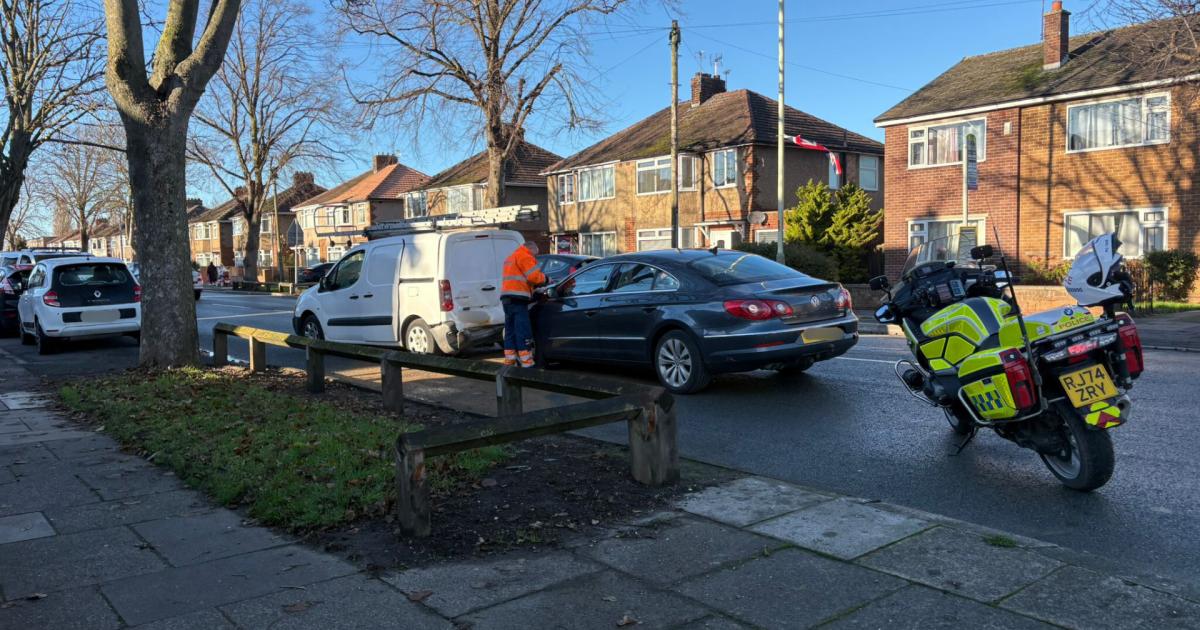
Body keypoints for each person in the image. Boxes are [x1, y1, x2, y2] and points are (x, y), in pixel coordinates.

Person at [500, 240, 547, 367]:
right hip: (518, 300)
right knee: (523, 330)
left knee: (510, 330)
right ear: (531, 249)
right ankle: (527, 363)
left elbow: (519, 279)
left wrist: (532, 290)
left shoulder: (511, 257)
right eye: (535, 255)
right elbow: (534, 277)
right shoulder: (525, 256)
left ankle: (510, 361)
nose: (535, 257)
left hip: (507, 299)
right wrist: (546, 279)